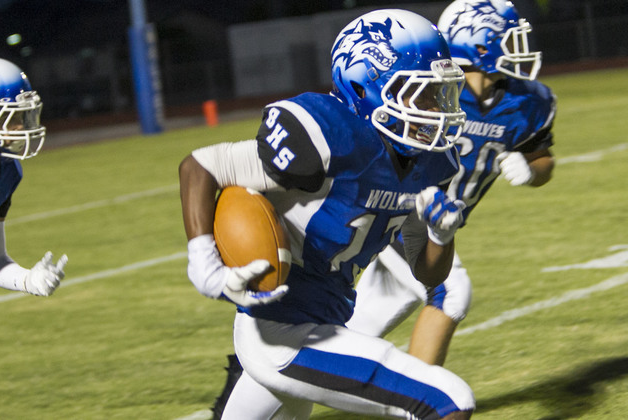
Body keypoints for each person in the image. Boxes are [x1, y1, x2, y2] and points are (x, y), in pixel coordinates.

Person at [180, 9, 475, 419]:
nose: (436, 109)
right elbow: (201, 166)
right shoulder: (330, 136)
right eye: (420, 94)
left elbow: (427, 275)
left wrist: (441, 235)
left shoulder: (428, 162)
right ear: (363, 86)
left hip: (324, 321)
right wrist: (203, 259)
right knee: (445, 400)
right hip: (280, 331)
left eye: (440, 93)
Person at [347, 0, 556, 366]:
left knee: (347, 332)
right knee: (451, 293)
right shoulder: (430, 91)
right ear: (477, 44)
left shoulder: (527, 102)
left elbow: (543, 159)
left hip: (434, 226)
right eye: (508, 40)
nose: (518, 49)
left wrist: (529, 167)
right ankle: (424, 402)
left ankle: (253, 378)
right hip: (402, 212)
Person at [0, 57, 68, 297]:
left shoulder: (6, 172)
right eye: (10, 119)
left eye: (22, 118)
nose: (20, 128)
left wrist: (27, 280)